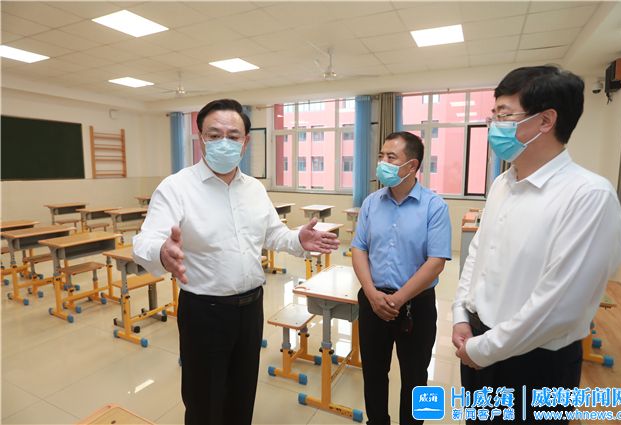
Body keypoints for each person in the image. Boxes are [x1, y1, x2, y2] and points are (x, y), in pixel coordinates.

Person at [132, 98, 340, 425]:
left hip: (250, 309)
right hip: (205, 312)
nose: (224, 143)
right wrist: (161, 251)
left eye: (233, 136)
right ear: (201, 138)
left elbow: (273, 234)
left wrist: (297, 239)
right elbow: (144, 241)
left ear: (246, 142)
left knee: (242, 397)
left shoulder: (254, 189)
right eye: (214, 135)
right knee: (204, 403)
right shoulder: (176, 187)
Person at [452, 66, 621, 424]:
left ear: (545, 121)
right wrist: (460, 315)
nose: (493, 125)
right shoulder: (503, 183)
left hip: (535, 363)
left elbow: (558, 306)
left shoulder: (588, 195)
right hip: (478, 342)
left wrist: (483, 349)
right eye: (493, 115)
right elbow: (477, 255)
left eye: (504, 115)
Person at [352, 131, 452, 425]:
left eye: (391, 157)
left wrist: (398, 299)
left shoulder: (434, 206)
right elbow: (359, 248)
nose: (382, 162)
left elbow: (436, 263)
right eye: (381, 156)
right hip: (373, 300)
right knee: (373, 372)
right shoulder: (371, 203)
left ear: (412, 165)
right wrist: (371, 293)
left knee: (415, 376)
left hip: (415, 305)